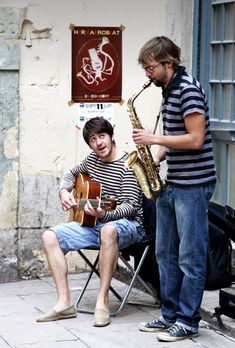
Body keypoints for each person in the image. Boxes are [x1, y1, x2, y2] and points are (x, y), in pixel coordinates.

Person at [133, 36, 216, 342]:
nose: (147, 73)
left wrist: (154, 140)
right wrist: (155, 157)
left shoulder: (188, 90)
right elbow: (177, 137)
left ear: (169, 63)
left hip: (193, 185)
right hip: (173, 182)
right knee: (165, 252)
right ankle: (169, 314)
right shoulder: (169, 89)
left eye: (151, 67)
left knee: (189, 255)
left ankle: (188, 320)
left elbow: (195, 139)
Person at [36, 116, 144, 327]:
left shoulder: (129, 163)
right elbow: (72, 173)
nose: (98, 143)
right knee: (50, 236)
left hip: (129, 225)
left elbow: (130, 206)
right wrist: (64, 191)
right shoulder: (92, 159)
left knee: (108, 230)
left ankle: (102, 302)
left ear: (112, 136)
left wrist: (104, 216)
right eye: (92, 140)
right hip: (96, 223)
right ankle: (64, 303)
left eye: (102, 136)